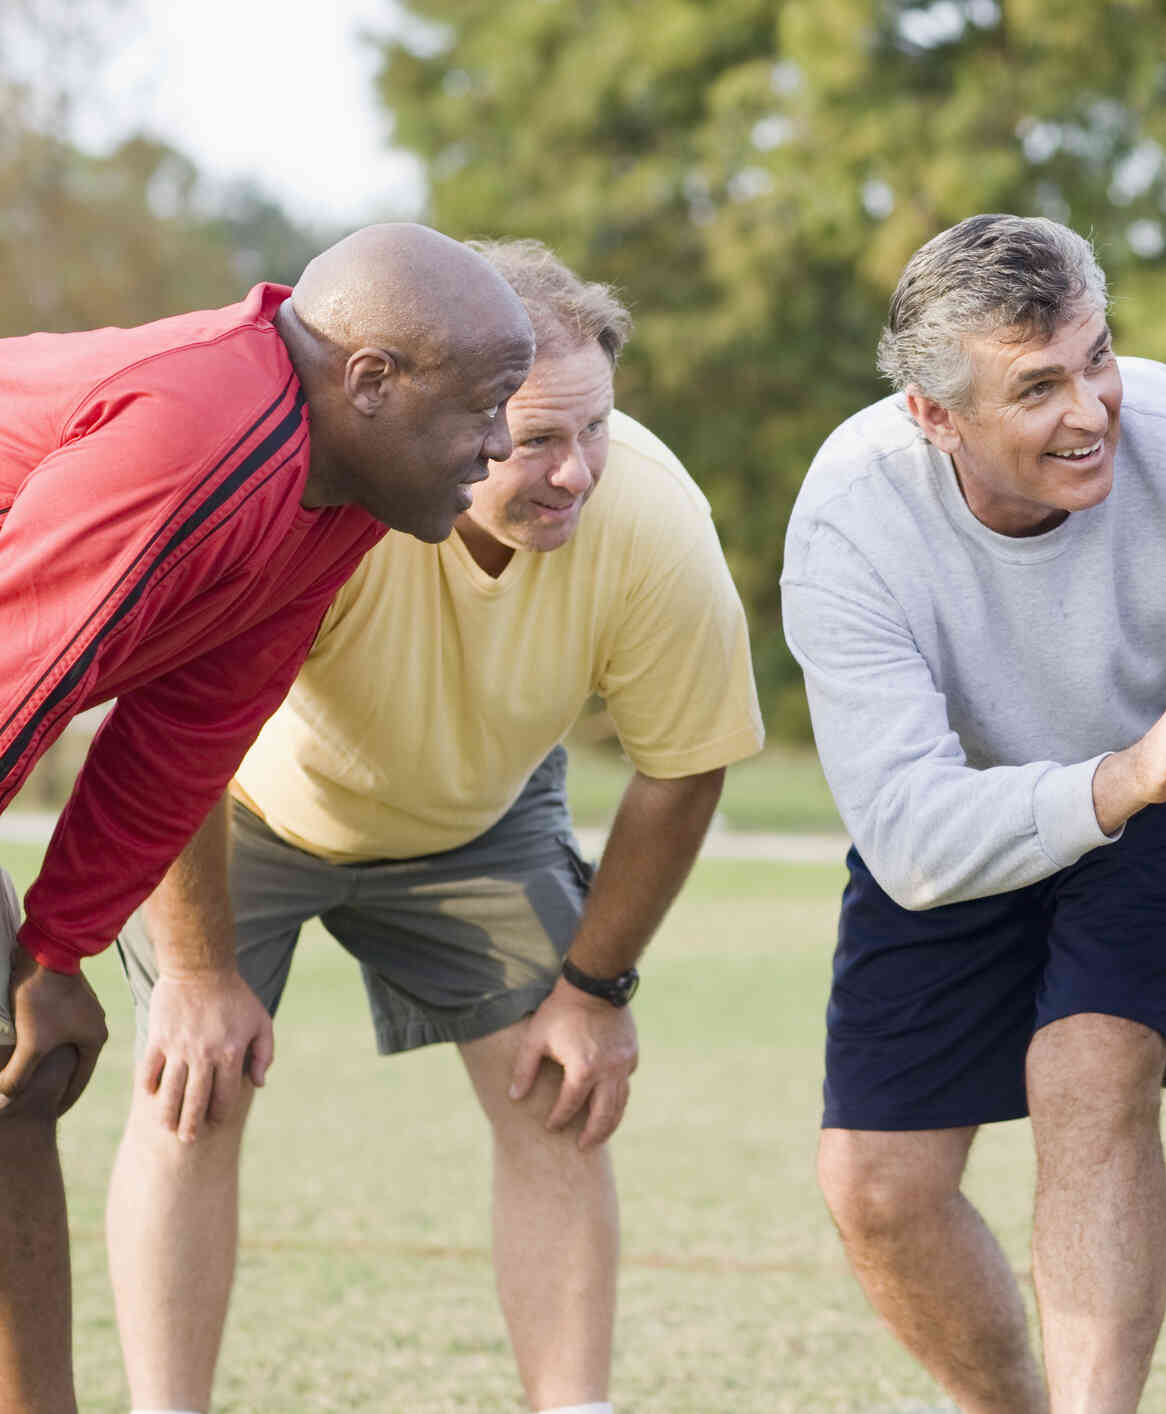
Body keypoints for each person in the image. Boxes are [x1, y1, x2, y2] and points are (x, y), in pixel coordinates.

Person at [102, 240, 763, 1414]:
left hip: (484, 813)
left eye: (596, 428)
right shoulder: (326, 494)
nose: (576, 473)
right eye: (539, 438)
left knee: (555, 1093)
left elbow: (683, 769)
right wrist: (197, 972)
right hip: (247, 806)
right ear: (457, 419)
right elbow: (172, 734)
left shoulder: (653, 523)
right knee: (187, 1087)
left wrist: (595, 990)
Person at [782, 214, 1166, 1414]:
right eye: (1037, 386)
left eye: (1095, 356)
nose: (1092, 406)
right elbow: (905, 829)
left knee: (1088, 1069)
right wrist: (1114, 779)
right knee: (878, 1188)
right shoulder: (851, 516)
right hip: (971, 808)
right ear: (935, 416)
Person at [0, 223, 532, 1414]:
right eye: (487, 406)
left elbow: (184, 728)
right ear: (373, 380)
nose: (501, 443)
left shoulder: (341, 489)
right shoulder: (199, 443)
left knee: (21, 1067)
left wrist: (53, 947)